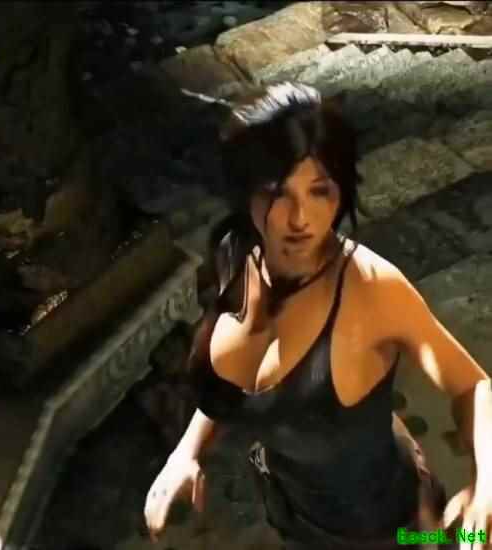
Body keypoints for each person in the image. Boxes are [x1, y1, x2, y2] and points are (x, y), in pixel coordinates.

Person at [144, 82, 492, 549]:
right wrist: (186, 453)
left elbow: (473, 385)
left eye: (319, 190)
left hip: (393, 532)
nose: (300, 218)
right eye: (277, 192)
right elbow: (231, 384)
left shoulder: (371, 288)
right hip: (290, 513)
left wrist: (487, 486)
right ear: (246, 192)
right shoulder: (235, 255)